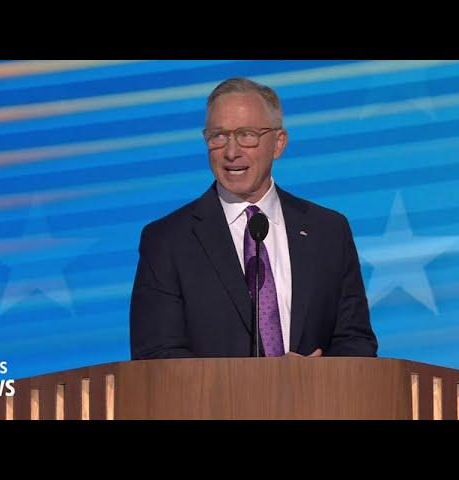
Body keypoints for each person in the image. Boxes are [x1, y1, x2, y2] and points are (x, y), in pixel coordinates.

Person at [130, 77, 377, 359]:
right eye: (218, 136)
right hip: (210, 404)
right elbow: (156, 358)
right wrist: (251, 388)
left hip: (314, 402)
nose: (231, 152)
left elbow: (356, 343)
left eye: (246, 135)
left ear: (278, 143)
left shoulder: (329, 232)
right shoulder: (167, 241)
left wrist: (315, 378)